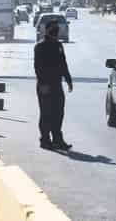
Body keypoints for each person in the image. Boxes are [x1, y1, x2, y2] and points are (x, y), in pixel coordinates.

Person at [34, 20, 73, 150]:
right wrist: (43, 84)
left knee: (58, 112)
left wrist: (68, 80)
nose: (56, 31)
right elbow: (38, 67)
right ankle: (45, 139)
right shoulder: (40, 46)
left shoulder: (58, 45)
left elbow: (63, 64)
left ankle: (57, 139)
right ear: (47, 30)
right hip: (45, 85)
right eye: (54, 29)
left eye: (57, 28)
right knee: (46, 113)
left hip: (57, 84)